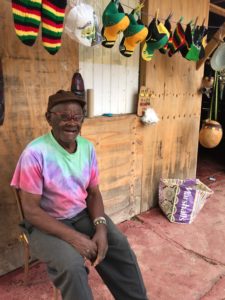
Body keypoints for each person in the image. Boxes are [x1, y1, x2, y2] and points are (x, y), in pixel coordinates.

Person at [11, 90, 148, 300]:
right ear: (49, 118)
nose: (71, 123)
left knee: (118, 244)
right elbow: (31, 211)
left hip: (80, 215)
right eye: (64, 117)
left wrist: (101, 228)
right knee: (72, 265)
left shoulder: (87, 148)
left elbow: (93, 194)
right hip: (44, 224)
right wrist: (76, 239)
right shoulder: (35, 153)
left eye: (77, 117)